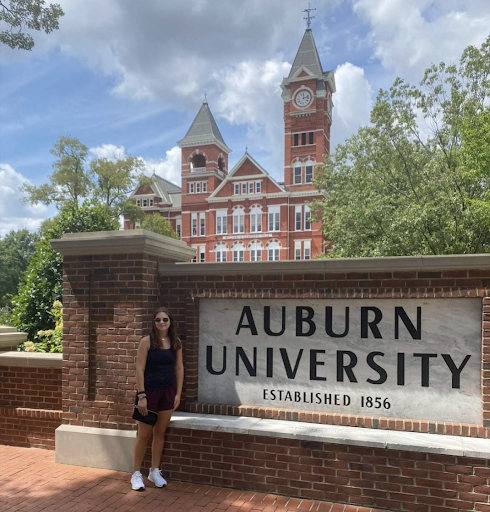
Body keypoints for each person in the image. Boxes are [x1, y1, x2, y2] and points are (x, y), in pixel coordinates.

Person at [130, 307, 184, 491]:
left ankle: (154, 471)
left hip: (167, 392)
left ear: (170, 322)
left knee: (160, 433)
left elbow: (179, 368)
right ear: (153, 323)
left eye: (165, 320)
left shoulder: (175, 342)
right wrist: (141, 395)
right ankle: (136, 474)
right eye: (158, 320)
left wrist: (178, 393)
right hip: (149, 393)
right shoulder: (146, 342)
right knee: (143, 435)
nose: (162, 323)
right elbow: (139, 369)